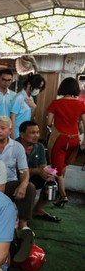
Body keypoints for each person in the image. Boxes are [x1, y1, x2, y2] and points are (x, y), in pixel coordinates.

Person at [0, 116, 35, 240]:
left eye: (2, 128)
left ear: (10, 130)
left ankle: (23, 225)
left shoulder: (17, 147)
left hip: (9, 184)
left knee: (29, 188)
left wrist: (23, 185)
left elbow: (24, 170)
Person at [46, 76, 85, 207]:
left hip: (59, 138)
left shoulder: (56, 103)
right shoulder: (80, 104)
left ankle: (63, 195)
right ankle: (59, 193)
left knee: (55, 168)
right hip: (74, 139)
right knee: (63, 165)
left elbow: (48, 122)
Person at [18, 121, 60, 223]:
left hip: (32, 176)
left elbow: (42, 166)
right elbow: (15, 170)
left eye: (37, 132)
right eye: (32, 133)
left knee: (53, 178)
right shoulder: (15, 146)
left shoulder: (40, 147)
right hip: (17, 178)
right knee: (29, 186)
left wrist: (48, 173)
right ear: (22, 135)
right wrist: (37, 170)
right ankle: (22, 217)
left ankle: (39, 209)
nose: (36, 135)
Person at [10, 74, 43, 139]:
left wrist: (34, 107)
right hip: (17, 133)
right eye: (37, 87)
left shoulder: (31, 98)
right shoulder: (19, 97)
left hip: (26, 133)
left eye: (40, 88)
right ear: (29, 84)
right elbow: (12, 117)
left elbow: (31, 118)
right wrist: (13, 136)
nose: (38, 90)